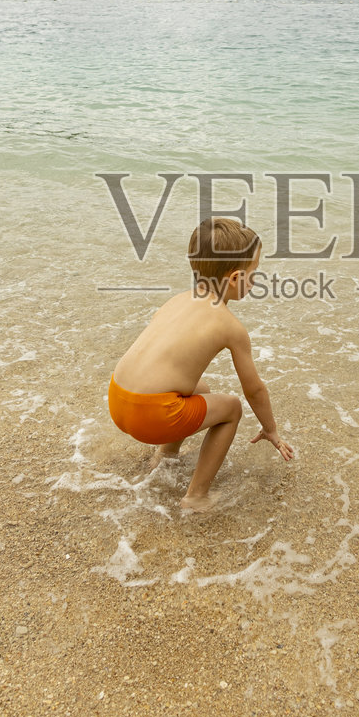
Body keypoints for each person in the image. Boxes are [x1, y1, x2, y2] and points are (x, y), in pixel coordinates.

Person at [108, 217, 295, 511]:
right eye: (253, 273)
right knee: (231, 408)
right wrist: (270, 429)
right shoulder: (229, 325)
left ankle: (164, 456)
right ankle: (196, 497)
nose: (255, 280)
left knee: (201, 389)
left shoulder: (177, 300)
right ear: (235, 278)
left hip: (118, 400)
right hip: (152, 416)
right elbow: (255, 390)